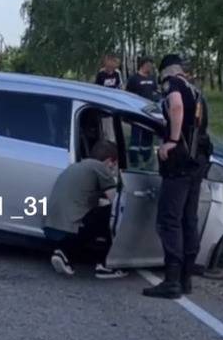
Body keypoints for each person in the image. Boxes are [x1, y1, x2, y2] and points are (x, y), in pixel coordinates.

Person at [142, 54, 212, 299]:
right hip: (198, 161)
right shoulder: (197, 91)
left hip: (180, 161)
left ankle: (171, 281)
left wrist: (171, 141)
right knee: (187, 219)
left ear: (167, 71)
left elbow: (176, 105)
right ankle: (185, 279)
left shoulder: (174, 84)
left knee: (169, 220)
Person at [43, 140, 128, 279]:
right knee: (112, 212)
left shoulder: (76, 166)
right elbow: (116, 202)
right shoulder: (100, 168)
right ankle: (106, 265)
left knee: (97, 214)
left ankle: (62, 252)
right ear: (109, 161)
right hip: (68, 231)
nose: (113, 169)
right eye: (114, 165)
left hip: (50, 228)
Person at [125, 56, 158, 164]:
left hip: (150, 111)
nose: (150, 67)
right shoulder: (134, 78)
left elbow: (155, 92)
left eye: (151, 66)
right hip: (137, 110)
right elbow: (128, 94)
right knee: (136, 134)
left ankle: (146, 157)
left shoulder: (152, 78)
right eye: (149, 65)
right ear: (143, 65)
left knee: (148, 134)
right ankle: (133, 159)